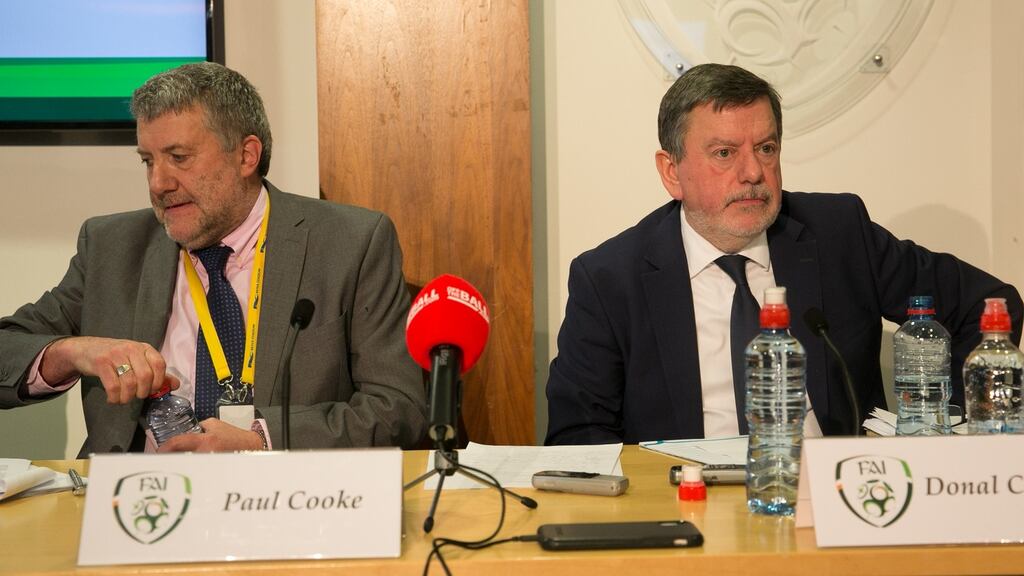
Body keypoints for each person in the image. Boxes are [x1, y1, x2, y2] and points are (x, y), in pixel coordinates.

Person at [545, 63, 1022, 445]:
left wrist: (946, 431)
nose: (753, 172)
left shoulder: (838, 235)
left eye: (767, 148)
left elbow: (990, 306)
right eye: (725, 153)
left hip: (834, 507)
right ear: (671, 172)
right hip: (687, 516)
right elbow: (578, 438)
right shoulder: (610, 279)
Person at [0, 62, 427, 453]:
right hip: (136, 507)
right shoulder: (112, 245)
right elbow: (7, 347)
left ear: (246, 156)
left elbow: (399, 409)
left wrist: (259, 439)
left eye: (178, 158)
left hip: (282, 505)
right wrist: (73, 352)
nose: (158, 183)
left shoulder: (350, 243)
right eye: (148, 161)